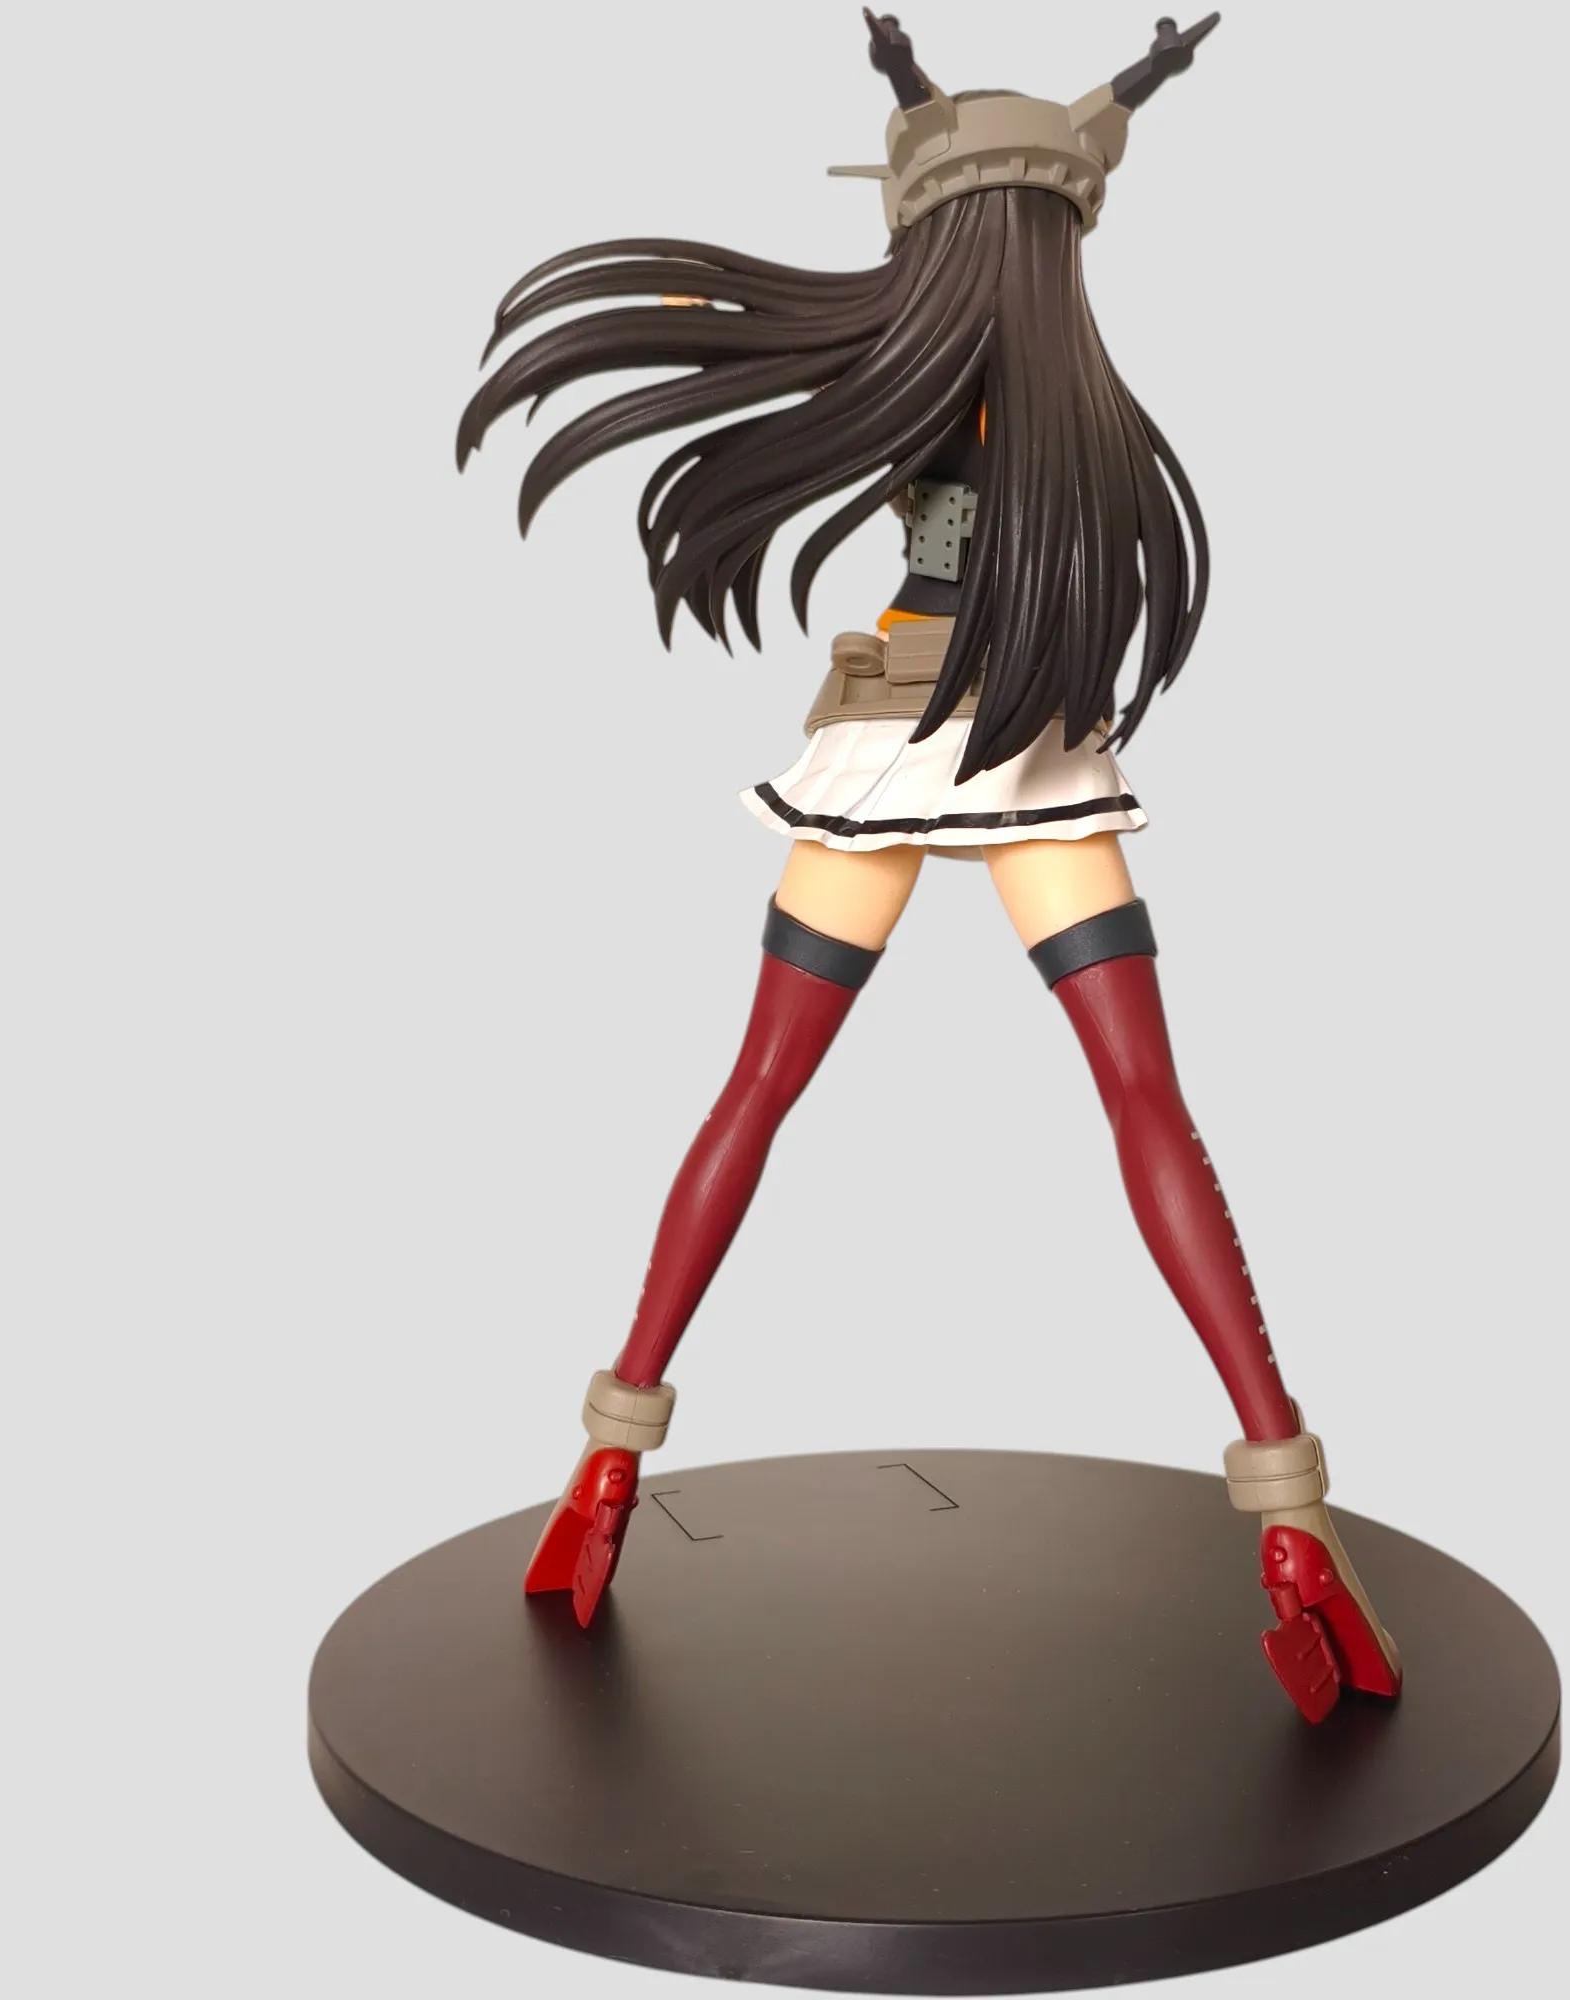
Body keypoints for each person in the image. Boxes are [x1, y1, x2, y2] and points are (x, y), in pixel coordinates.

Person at [458, 12, 1399, 1723]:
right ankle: (1291, 1521)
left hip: (898, 737)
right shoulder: (1075, 397)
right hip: (1032, 748)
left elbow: (1007, 162)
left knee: (759, 1087)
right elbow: (1067, 145)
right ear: (1056, 242)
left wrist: (925, 83)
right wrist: (1133, 80)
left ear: (937, 234)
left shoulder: (907, 364)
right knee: (1146, 1103)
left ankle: (604, 1466)